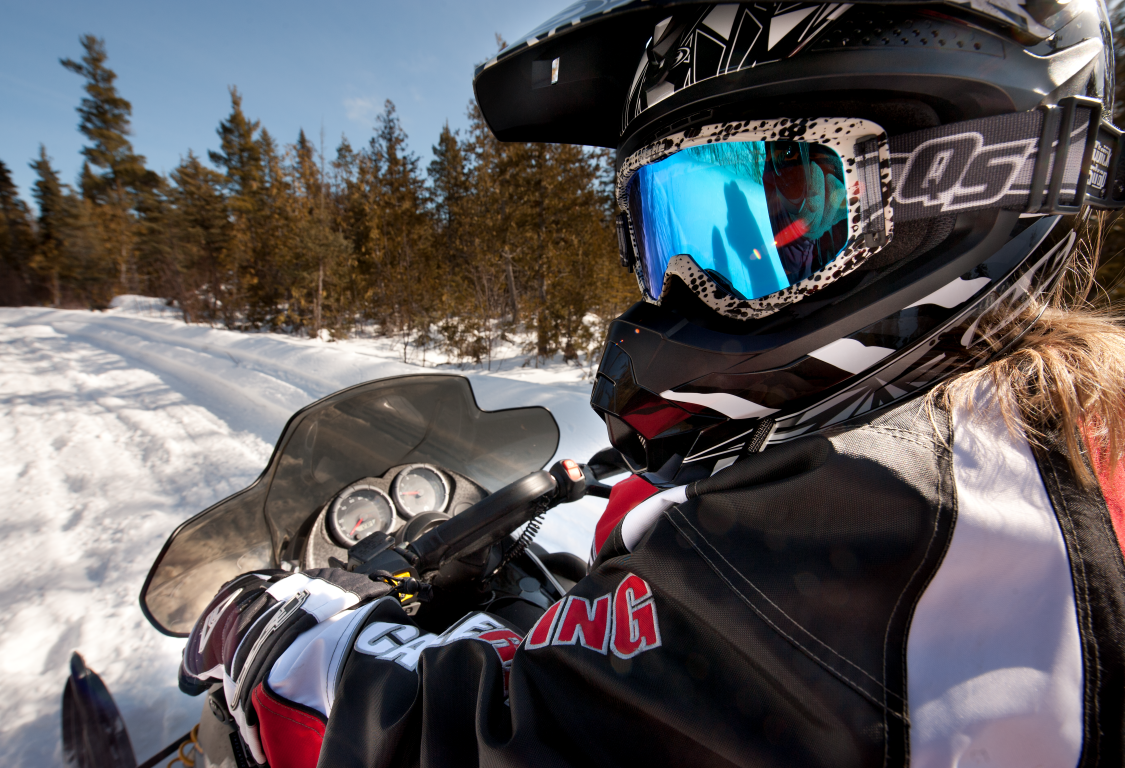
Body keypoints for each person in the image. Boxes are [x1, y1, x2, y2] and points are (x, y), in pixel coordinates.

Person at [180, 2, 1125, 766]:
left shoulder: (902, 512)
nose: (685, 288)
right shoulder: (1049, 437)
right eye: (667, 225)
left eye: (762, 214)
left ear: (960, 178)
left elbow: (483, 740)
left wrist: (280, 646)